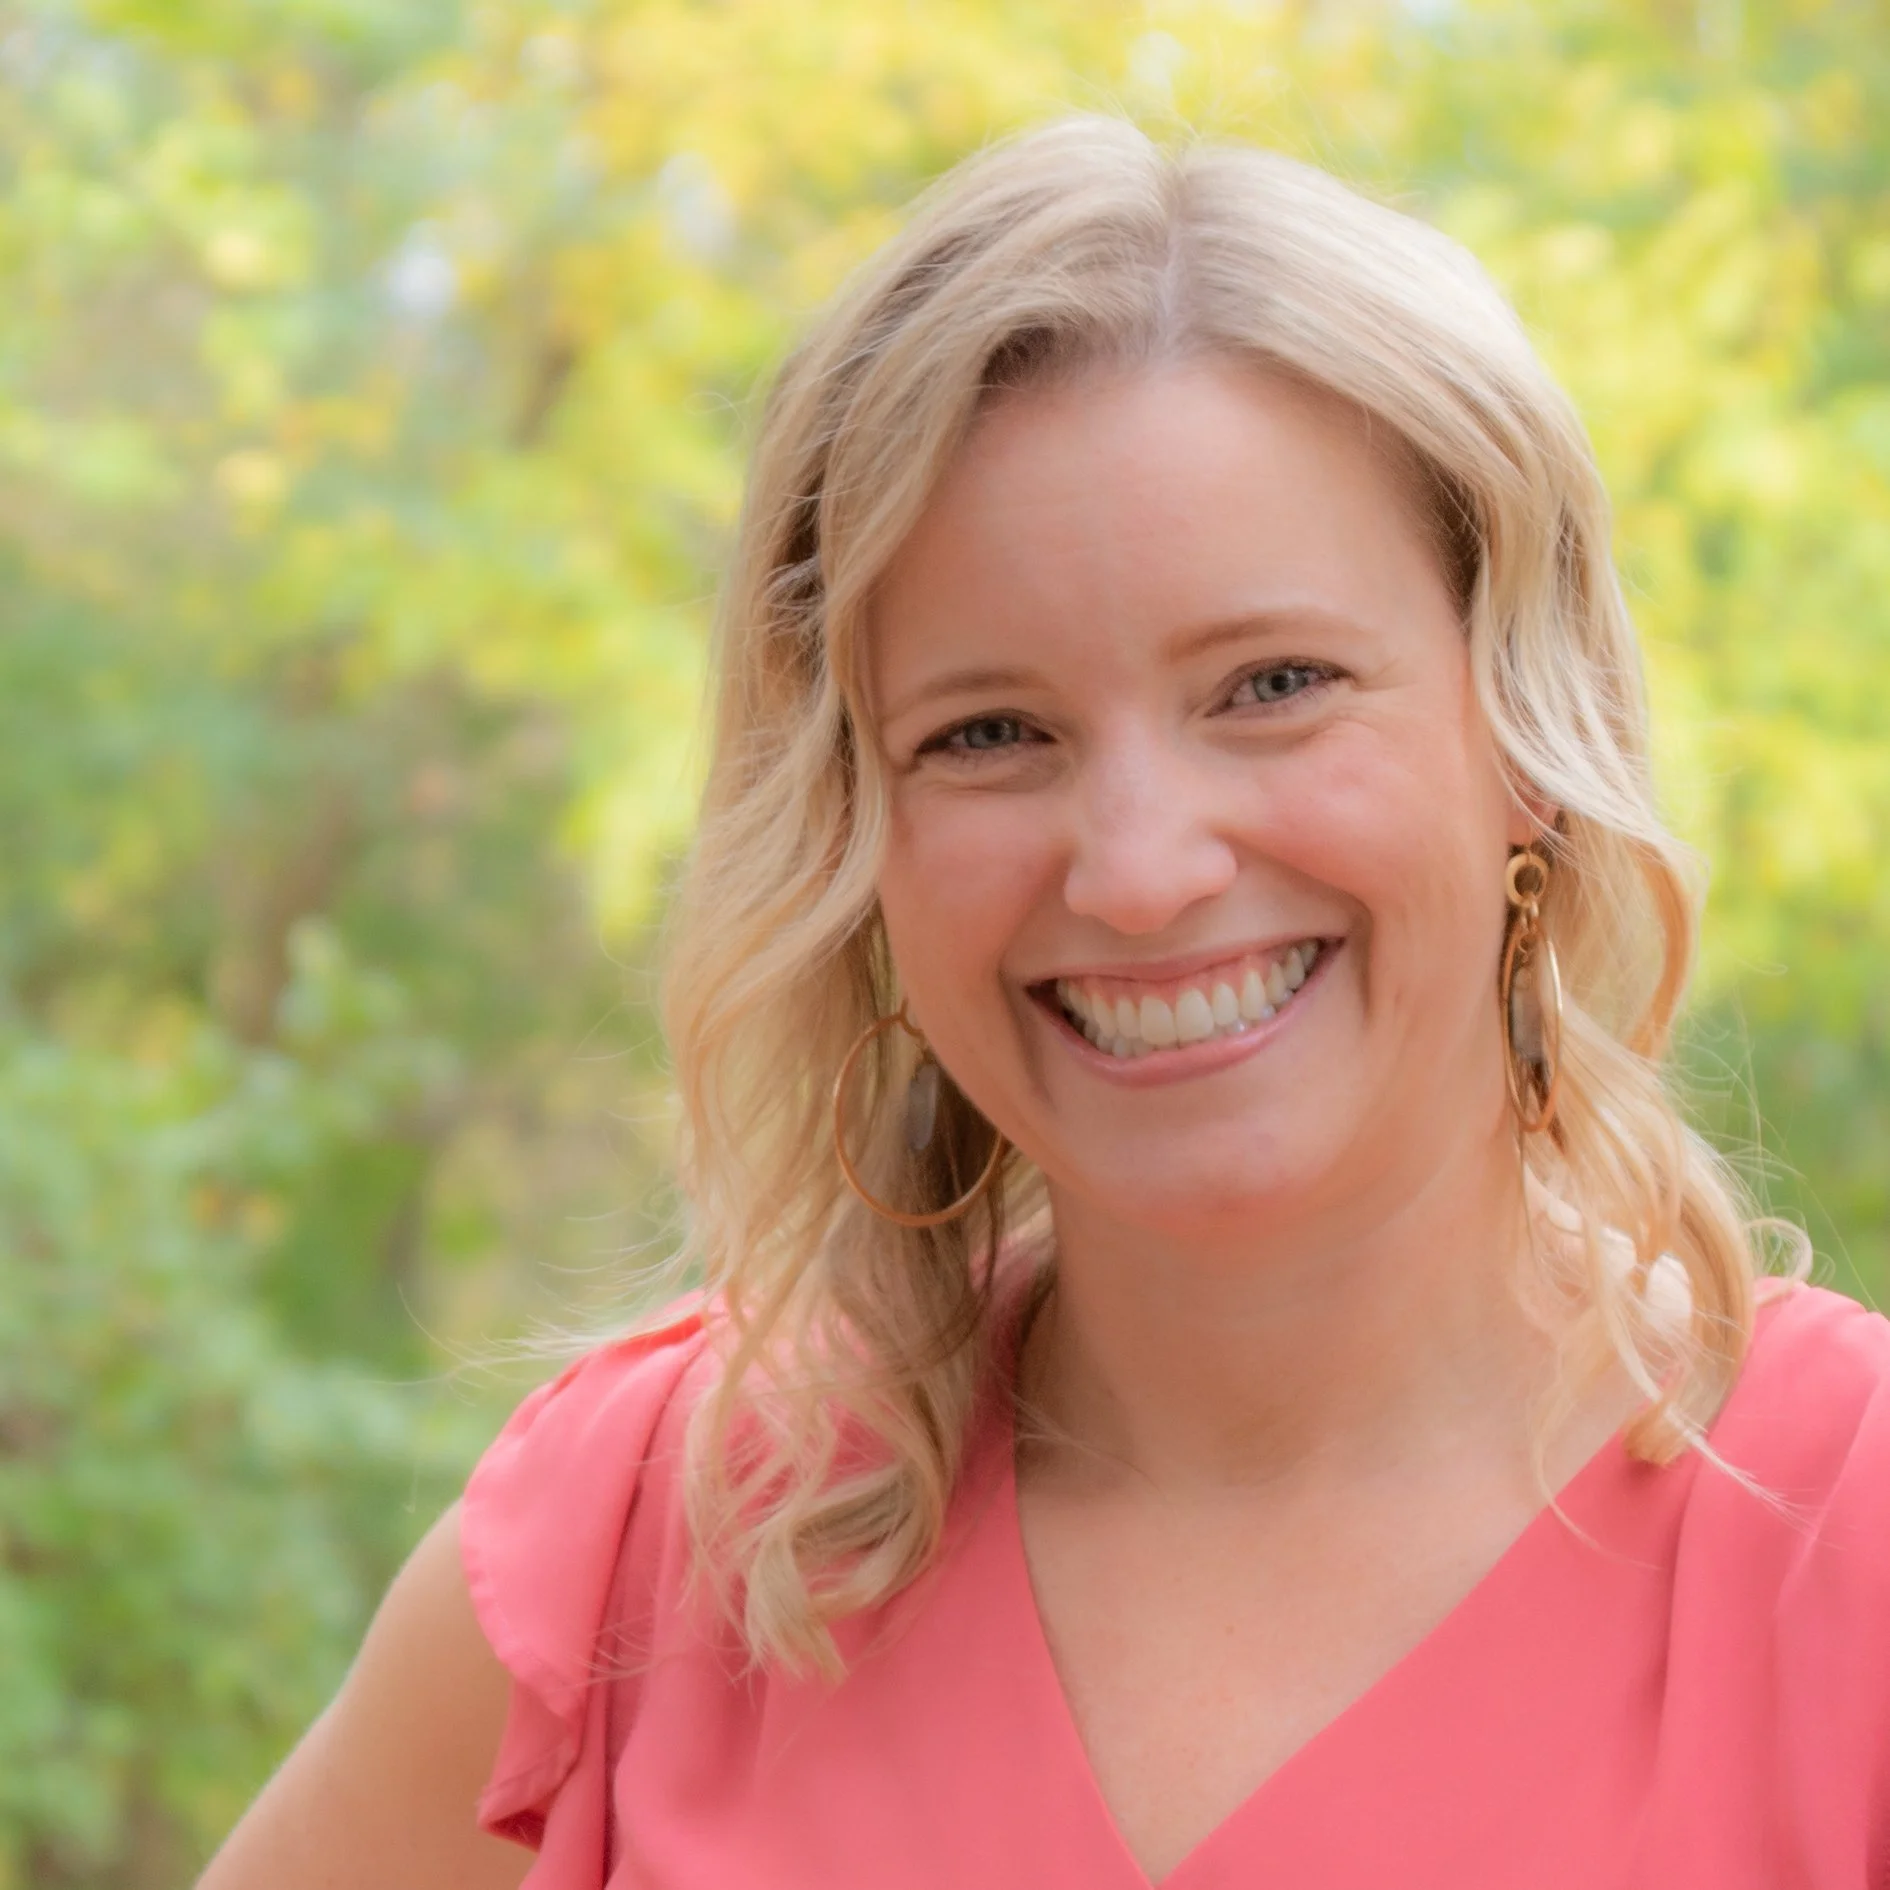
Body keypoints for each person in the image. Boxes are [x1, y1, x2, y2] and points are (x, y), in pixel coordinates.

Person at [197, 117, 1890, 1890]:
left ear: (1527, 737)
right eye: (987, 733)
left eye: (1273, 684)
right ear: (857, 831)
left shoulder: (1839, 1554)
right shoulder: (634, 1554)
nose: (1139, 868)